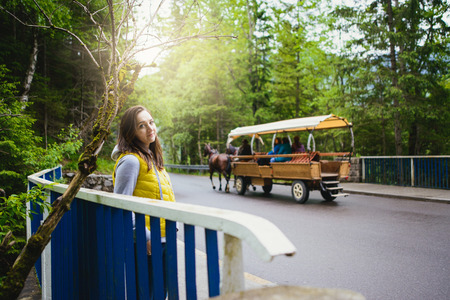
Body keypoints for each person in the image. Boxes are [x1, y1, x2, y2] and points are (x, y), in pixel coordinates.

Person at [111, 105, 175, 297]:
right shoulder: (131, 161)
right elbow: (122, 205)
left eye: (151, 122)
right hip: (146, 243)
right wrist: (145, 237)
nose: (150, 128)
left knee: (159, 294)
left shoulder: (153, 159)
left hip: (164, 239)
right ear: (131, 132)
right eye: (141, 125)